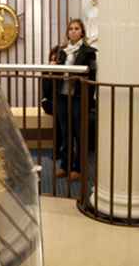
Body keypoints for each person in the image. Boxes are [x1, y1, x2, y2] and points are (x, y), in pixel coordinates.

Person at [55, 19, 97, 181]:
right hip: (62, 96)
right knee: (65, 133)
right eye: (70, 29)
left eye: (76, 28)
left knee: (79, 134)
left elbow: (92, 75)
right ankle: (65, 165)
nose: (73, 31)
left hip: (79, 97)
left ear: (82, 32)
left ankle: (78, 168)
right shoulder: (62, 50)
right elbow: (58, 73)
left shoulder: (89, 51)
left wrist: (79, 81)